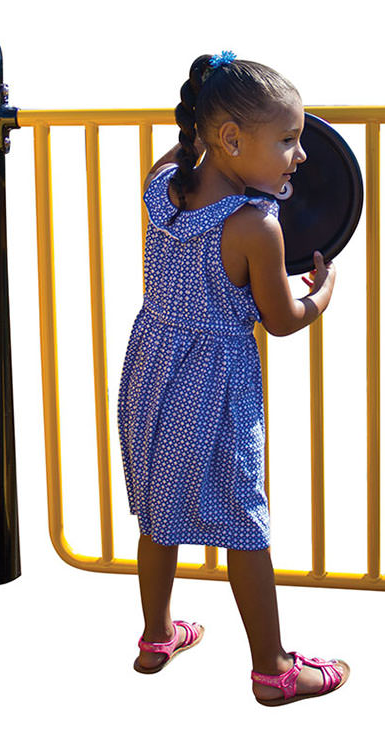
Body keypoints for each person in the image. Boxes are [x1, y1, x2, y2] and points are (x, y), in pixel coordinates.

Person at [116, 50, 349, 707]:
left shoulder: (161, 183)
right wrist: (323, 292)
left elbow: (186, 156)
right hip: (214, 393)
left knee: (158, 514)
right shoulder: (255, 227)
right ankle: (273, 669)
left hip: (150, 373)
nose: (301, 155)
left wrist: (208, 136)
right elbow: (281, 319)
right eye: (288, 140)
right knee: (245, 524)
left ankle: (156, 637)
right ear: (230, 138)